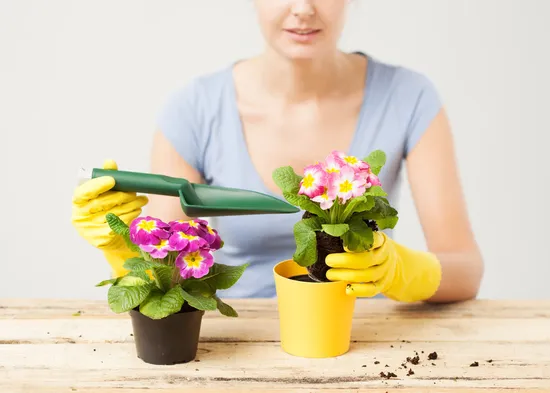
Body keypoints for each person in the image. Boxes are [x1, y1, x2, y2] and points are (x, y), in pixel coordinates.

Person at [71, 0, 484, 303]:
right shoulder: (193, 109)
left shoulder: (408, 97)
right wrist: (122, 248)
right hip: (238, 345)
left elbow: (466, 270)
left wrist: (401, 271)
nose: (303, 9)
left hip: (365, 340)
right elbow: (168, 272)